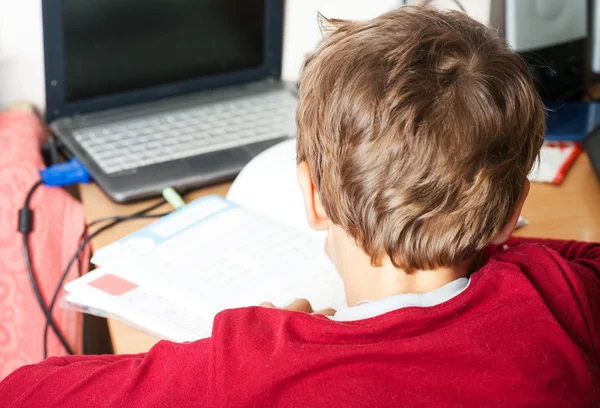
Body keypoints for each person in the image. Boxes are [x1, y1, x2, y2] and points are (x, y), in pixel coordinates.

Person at [1, 5, 599, 407]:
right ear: (512, 209)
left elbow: (25, 391)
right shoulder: (560, 293)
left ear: (311, 195)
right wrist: (496, 243)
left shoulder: (258, 364)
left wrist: (255, 341)